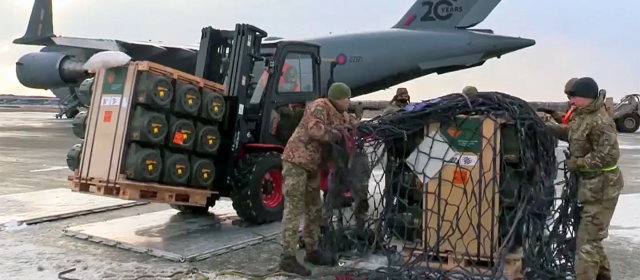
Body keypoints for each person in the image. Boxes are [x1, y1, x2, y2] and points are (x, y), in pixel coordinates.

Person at [545, 77, 623, 280]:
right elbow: (573, 134)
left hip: (602, 188)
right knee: (592, 240)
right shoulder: (582, 115)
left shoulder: (601, 122)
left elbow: (608, 156)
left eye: (573, 97)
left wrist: (576, 164)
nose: (570, 100)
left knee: (586, 244)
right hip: (589, 187)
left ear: (587, 97)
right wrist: (551, 125)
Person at [279, 82, 359, 276]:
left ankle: (312, 250)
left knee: (314, 208)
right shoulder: (319, 106)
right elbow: (315, 130)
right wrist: (336, 134)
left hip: (313, 166)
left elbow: (350, 123)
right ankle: (287, 258)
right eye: (347, 98)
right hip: (297, 161)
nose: (349, 102)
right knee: (294, 208)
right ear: (339, 97)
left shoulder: (340, 113)